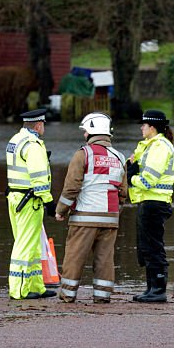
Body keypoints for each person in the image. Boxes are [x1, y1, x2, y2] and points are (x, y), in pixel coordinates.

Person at [53, 112, 128, 304]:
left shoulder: (83, 154)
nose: (84, 134)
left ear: (91, 132)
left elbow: (71, 187)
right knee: (105, 258)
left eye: (85, 131)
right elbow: (123, 191)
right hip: (110, 218)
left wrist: (61, 210)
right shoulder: (119, 157)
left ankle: (68, 294)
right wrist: (116, 210)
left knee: (75, 256)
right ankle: (102, 296)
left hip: (85, 217)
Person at [5, 108, 56, 299]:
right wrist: (49, 201)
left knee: (33, 245)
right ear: (38, 124)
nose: (44, 127)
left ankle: (36, 286)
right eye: (43, 124)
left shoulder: (15, 140)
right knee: (24, 246)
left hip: (15, 198)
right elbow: (39, 178)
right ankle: (18, 290)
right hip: (29, 202)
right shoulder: (33, 145)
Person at [127, 109, 174, 303]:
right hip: (150, 202)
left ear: (153, 127)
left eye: (144, 125)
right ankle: (151, 288)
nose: (141, 127)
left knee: (153, 247)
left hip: (155, 202)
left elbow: (148, 180)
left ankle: (157, 290)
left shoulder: (160, 147)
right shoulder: (151, 145)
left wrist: (132, 177)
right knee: (147, 247)